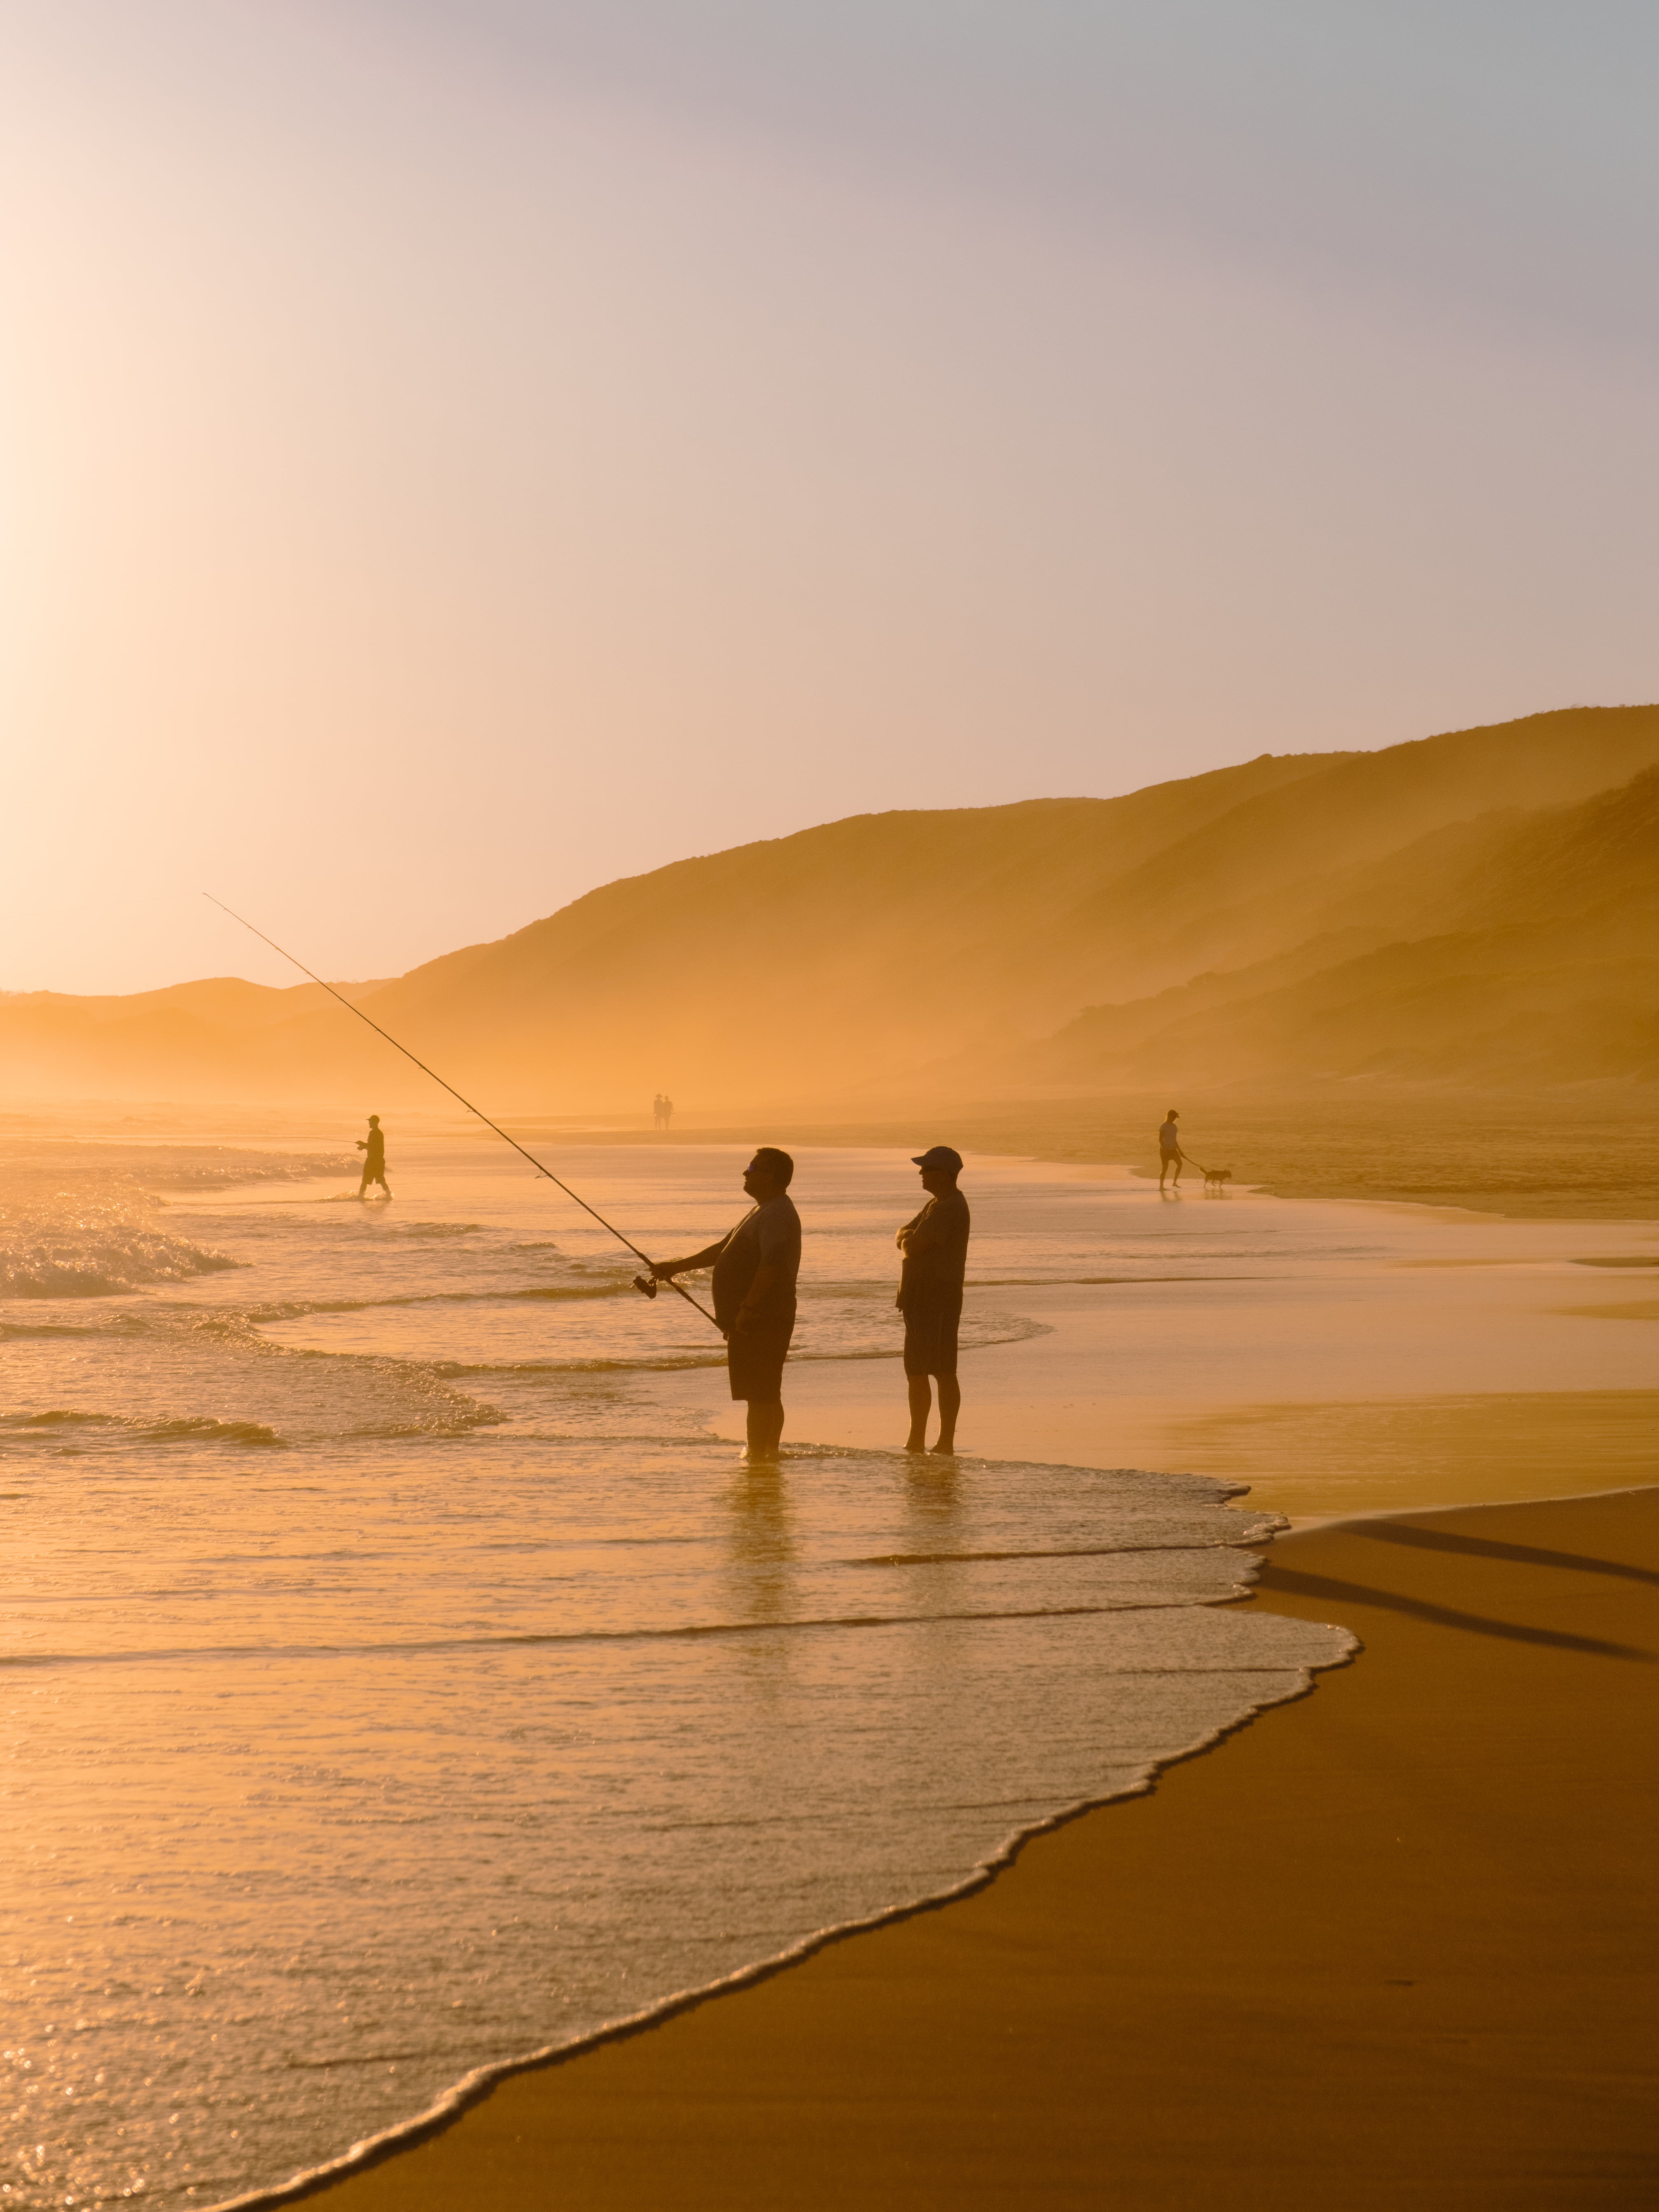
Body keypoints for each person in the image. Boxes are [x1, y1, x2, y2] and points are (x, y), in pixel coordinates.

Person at [651, 1148, 799, 1461]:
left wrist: (747, 1310)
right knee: (766, 1391)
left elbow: (771, 1266)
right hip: (755, 1316)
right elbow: (723, 1250)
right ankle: (768, 1453)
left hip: (762, 1317)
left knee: (761, 1393)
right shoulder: (763, 1210)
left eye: (752, 1167)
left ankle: (759, 1458)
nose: (745, 1173)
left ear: (770, 1175)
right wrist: (674, 1267)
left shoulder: (776, 1213)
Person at [896, 1145, 970, 1455]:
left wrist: (906, 1239)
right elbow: (905, 1234)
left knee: (942, 1370)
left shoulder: (949, 1207)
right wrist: (906, 1238)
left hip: (938, 1297)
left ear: (944, 1173)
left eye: (927, 1169)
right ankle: (916, 1439)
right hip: (918, 1298)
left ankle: (945, 1441)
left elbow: (912, 1244)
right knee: (915, 1371)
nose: (921, 1174)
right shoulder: (935, 1204)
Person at [356, 1114, 392, 1200]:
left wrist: (363, 1144)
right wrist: (363, 1146)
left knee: (365, 1180)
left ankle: (360, 1197)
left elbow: (372, 1147)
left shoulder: (374, 1133)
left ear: (375, 1122)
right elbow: (374, 1147)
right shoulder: (379, 1133)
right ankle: (389, 1196)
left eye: (370, 1122)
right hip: (379, 1160)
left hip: (373, 1161)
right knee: (381, 1180)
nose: (369, 1124)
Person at [1158, 1108, 1184, 1191]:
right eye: (1174, 1117)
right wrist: (1164, 1148)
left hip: (1173, 1150)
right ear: (1169, 1116)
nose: (1174, 1119)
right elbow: (1160, 1139)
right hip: (1164, 1151)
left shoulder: (1174, 1127)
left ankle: (1174, 1183)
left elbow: (1174, 1140)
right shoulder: (1164, 1126)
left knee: (1180, 1164)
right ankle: (1161, 1187)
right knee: (1165, 1169)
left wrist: (1180, 1151)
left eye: (1175, 1118)